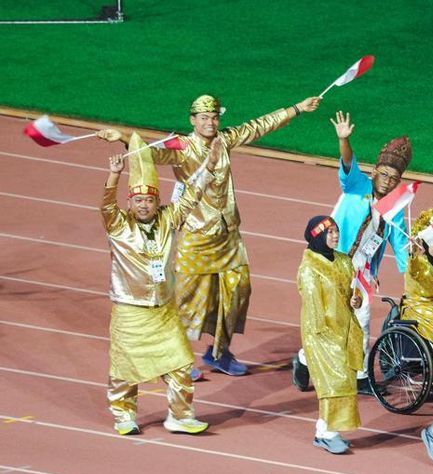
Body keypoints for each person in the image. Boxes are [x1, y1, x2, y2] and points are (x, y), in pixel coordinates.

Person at [99, 93, 322, 377]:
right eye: (204, 118)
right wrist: (123, 136)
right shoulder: (181, 147)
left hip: (228, 233)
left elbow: (260, 125)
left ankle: (219, 352)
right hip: (196, 236)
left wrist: (296, 108)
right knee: (184, 300)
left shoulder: (225, 140)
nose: (211, 122)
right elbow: (147, 151)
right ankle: (173, 359)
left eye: (215, 117)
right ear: (193, 120)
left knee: (237, 293)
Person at [102, 133, 221, 435]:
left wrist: (210, 165)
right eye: (139, 200)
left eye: (150, 200)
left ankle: (180, 416)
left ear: (158, 201)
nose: (144, 205)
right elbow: (106, 208)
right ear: (131, 202)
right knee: (126, 369)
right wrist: (114, 176)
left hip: (164, 310)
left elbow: (192, 194)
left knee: (181, 363)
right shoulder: (119, 225)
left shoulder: (169, 218)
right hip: (131, 310)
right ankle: (124, 415)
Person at [292, 111, 412, 392]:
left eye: (393, 178)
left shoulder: (395, 207)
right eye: (383, 174)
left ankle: (360, 377)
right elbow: (347, 162)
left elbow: (399, 243)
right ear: (373, 172)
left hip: (362, 271)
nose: (387, 181)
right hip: (334, 263)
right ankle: (303, 359)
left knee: (362, 318)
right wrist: (344, 140)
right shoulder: (357, 185)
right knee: (333, 321)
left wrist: (411, 273)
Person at [297, 215, 364, 454]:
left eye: (336, 231)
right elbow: (314, 306)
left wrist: (356, 300)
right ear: (317, 237)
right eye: (330, 233)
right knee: (333, 382)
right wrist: (321, 334)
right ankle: (328, 433)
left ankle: (324, 429)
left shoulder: (344, 261)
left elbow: (350, 293)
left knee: (344, 380)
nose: (335, 236)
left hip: (345, 328)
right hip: (321, 333)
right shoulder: (309, 269)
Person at [401, 208, 433, 344]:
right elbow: (414, 269)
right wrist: (412, 253)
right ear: (426, 244)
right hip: (419, 308)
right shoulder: (419, 263)